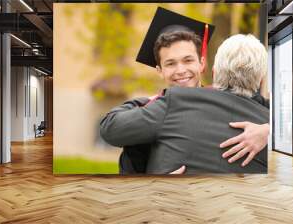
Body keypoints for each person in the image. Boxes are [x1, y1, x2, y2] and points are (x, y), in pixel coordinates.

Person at [112, 7, 269, 174]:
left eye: (188, 60)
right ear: (160, 70)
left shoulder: (236, 101)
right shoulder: (151, 111)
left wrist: (268, 130)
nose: (180, 70)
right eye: (171, 63)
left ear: (203, 64)